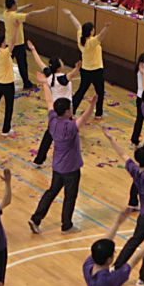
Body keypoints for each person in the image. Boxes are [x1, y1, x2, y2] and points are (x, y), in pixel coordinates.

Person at [101, 128, 144, 286]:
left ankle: (117, 266)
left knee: (133, 242)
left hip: (143, 217)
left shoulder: (135, 171)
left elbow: (123, 154)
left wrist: (111, 139)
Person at [28, 96, 94, 235]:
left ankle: (36, 218)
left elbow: (48, 101)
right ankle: (66, 225)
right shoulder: (70, 127)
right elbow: (84, 117)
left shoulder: (52, 121)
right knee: (70, 196)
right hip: (71, 168)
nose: (72, 109)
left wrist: (46, 85)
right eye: (70, 107)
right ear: (66, 112)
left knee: (51, 192)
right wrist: (92, 104)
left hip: (57, 166)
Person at [66, 14, 109, 116]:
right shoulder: (91, 42)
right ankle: (98, 113)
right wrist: (106, 27)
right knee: (100, 92)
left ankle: (72, 109)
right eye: (93, 29)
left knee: (81, 91)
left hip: (85, 70)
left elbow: (77, 25)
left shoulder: (81, 39)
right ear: (90, 32)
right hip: (96, 71)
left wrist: (70, 15)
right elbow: (101, 36)